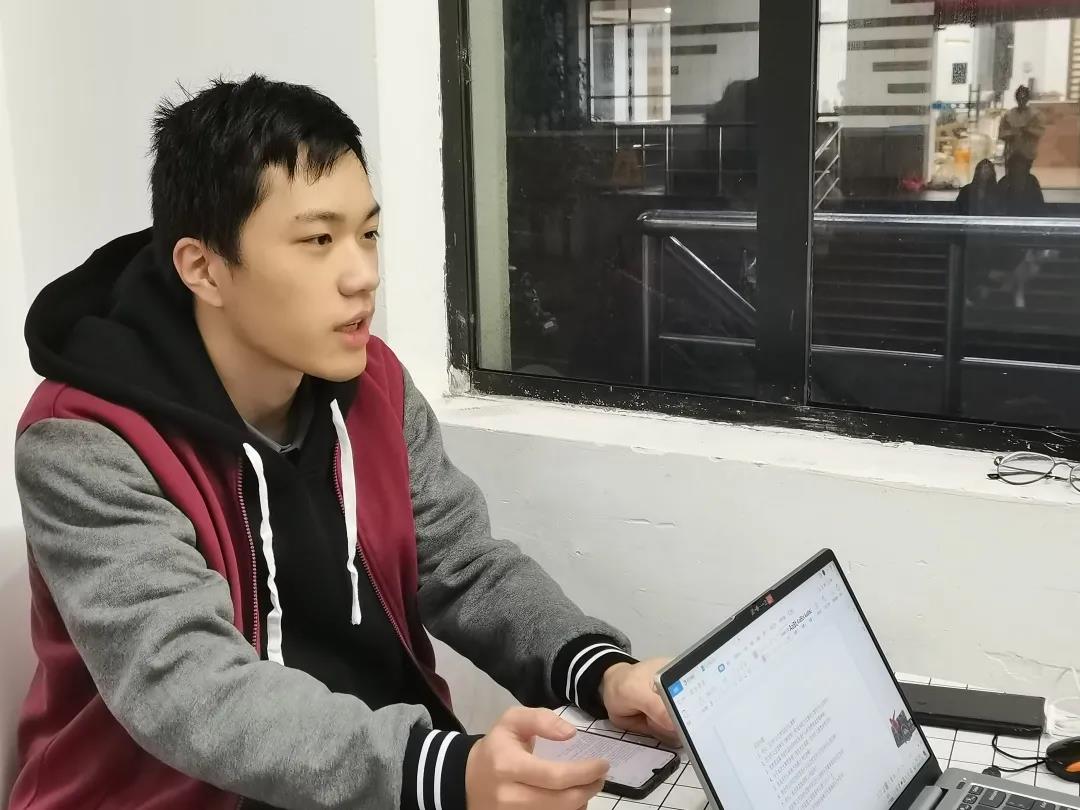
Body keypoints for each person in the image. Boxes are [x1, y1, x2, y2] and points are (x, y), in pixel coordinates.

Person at [10, 75, 675, 810]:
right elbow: (185, 686)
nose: (363, 276)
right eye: (318, 240)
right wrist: (444, 773)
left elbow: (461, 563)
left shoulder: (373, 383)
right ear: (204, 267)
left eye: (369, 234)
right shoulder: (85, 439)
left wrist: (600, 671)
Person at [998, 84, 1044, 172]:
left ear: (1028, 98)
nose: (1021, 100)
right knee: (1010, 176)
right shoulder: (1008, 115)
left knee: (1024, 176)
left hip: (1027, 153)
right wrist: (1011, 133)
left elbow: (1040, 132)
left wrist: (1027, 130)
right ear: (1016, 98)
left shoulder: (1035, 115)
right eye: (1019, 97)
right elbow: (1001, 133)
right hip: (1011, 153)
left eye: (1024, 97)